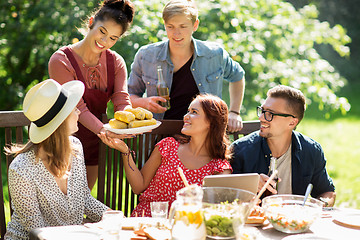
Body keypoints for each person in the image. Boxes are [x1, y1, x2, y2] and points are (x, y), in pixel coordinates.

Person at [4, 79, 110, 240]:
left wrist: (119, 219)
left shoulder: (75, 147)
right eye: (74, 109)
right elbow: (37, 231)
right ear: (60, 122)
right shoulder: (21, 169)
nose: (79, 113)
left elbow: (84, 199)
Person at [48, 0, 135, 189]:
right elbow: (77, 106)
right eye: (102, 31)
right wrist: (105, 130)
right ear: (90, 22)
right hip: (64, 141)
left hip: (96, 141)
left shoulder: (116, 62)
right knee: (63, 204)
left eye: (113, 38)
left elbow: (121, 100)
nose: (104, 41)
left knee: (83, 198)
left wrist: (128, 123)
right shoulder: (61, 60)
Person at [98, 94, 233, 217]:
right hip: (145, 222)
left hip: (184, 228)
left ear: (211, 122)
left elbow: (215, 212)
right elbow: (138, 186)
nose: (186, 116)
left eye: (194, 112)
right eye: (188, 111)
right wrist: (125, 150)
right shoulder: (168, 146)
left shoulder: (219, 168)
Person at [128, 0, 245, 133]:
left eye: (183, 26)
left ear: (195, 25)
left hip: (206, 136)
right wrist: (145, 103)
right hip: (160, 136)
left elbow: (238, 76)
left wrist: (235, 112)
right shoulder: (146, 55)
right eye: (170, 26)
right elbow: (128, 95)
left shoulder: (214, 54)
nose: (176, 33)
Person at [231, 85, 336, 207]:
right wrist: (247, 185)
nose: (261, 118)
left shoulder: (311, 151)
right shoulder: (239, 150)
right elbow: (222, 195)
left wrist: (319, 205)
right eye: (262, 110)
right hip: (254, 222)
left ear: (292, 122)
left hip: (294, 222)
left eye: (270, 114)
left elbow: (327, 192)